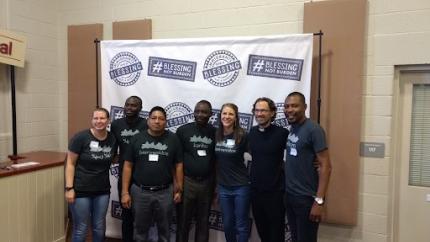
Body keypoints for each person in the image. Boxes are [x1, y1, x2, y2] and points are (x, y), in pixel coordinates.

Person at [121, 106, 183, 242]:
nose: (157, 121)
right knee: (140, 231)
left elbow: (178, 165)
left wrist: (179, 189)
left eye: (161, 119)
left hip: (165, 192)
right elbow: (127, 166)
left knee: (165, 231)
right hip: (140, 191)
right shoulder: (137, 139)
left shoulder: (173, 139)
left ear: (165, 122)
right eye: (154, 118)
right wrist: (125, 192)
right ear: (148, 120)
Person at [283, 92, 332, 242]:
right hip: (290, 196)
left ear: (304, 107)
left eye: (294, 106)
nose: (290, 110)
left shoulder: (314, 130)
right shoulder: (293, 128)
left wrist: (319, 201)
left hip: (306, 199)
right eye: (287, 106)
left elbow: (326, 166)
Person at [65, 108, 118, 242]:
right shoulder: (81, 137)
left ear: (108, 121)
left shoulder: (112, 138)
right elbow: (70, 164)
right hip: (80, 190)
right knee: (81, 228)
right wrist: (69, 188)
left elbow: (112, 158)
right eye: (96, 118)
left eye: (102, 118)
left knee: (99, 227)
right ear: (92, 120)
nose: (98, 121)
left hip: (102, 191)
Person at [248, 97, 288, 242]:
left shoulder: (282, 134)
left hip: (275, 194)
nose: (259, 113)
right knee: (262, 233)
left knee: (276, 235)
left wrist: (314, 160)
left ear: (272, 113)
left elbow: (298, 151)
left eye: (264, 110)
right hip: (256, 192)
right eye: (257, 110)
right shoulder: (251, 133)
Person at [176, 100, 216, 242]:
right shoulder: (182, 131)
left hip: (207, 183)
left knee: (203, 221)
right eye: (197, 111)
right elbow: (177, 160)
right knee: (183, 221)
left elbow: (216, 160)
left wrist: (215, 186)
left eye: (204, 112)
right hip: (187, 182)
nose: (200, 114)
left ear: (211, 114)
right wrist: (178, 185)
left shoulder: (215, 132)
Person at [110, 96, 147, 242]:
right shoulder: (116, 124)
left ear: (140, 108)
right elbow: (113, 148)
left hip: (142, 176)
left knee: (142, 215)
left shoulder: (145, 124)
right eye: (127, 105)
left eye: (134, 105)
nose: (130, 108)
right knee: (126, 215)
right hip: (124, 176)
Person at [215, 103, 250, 242]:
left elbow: (260, 154)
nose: (227, 117)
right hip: (223, 187)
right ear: (220, 115)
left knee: (241, 225)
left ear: (236, 117)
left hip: (241, 186)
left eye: (230, 114)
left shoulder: (242, 135)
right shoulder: (216, 134)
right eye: (224, 113)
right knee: (228, 224)